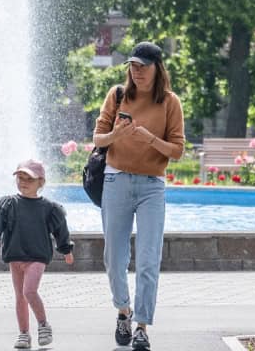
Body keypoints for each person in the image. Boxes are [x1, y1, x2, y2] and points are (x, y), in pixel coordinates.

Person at [92, 41, 185, 351]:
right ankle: (123, 310)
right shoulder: (117, 95)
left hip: (151, 187)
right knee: (114, 259)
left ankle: (142, 326)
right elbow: (97, 138)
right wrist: (116, 136)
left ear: (158, 68)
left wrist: (149, 138)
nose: (137, 71)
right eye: (133, 66)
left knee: (147, 260)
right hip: (116, 181)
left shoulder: (170, 102)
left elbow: (178, 151)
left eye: (144, 66)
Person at [0, 158, 75, 349]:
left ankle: (43, 324)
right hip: (15, 256)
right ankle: (24, 333)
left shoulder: (49, 208)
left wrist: (66, 249)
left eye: (29, 179)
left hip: (37, 256)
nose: (23, 182)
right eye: (20, 177)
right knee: (20, 296)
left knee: (29, 291)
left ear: (41, 182)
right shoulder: (8, 204)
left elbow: (60, 230)